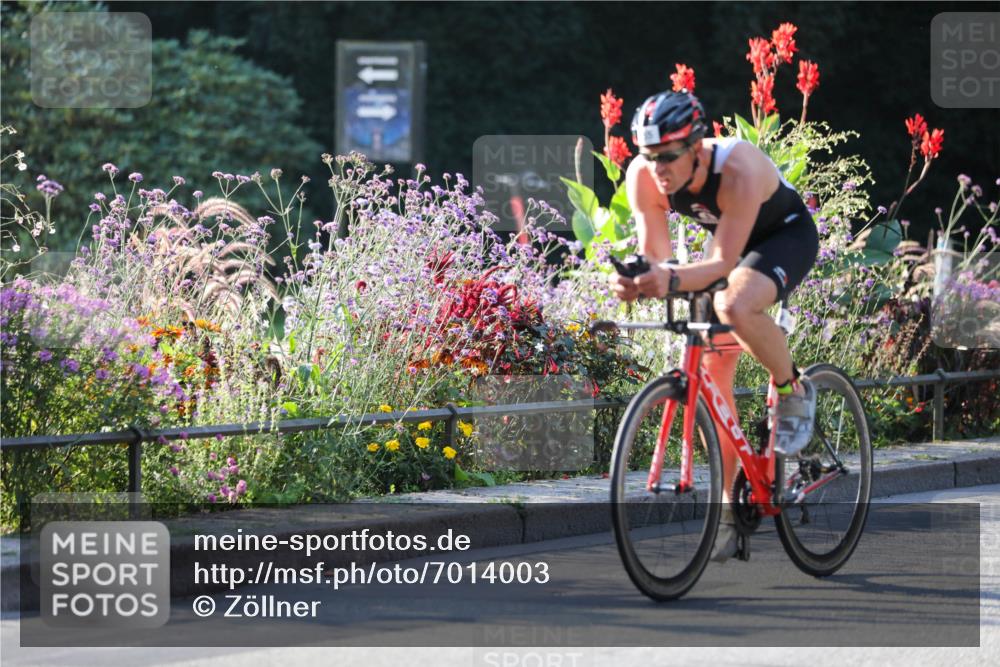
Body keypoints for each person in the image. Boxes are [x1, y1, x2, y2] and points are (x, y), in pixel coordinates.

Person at [609, 89, 819, 562]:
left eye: (667, 157)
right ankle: (729, 509)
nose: (657, 168)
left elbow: (724, 264)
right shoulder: (644, 174)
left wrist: (668, 278)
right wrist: (638, 279)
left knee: (735, 304)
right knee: (714, 376)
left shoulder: (738, 168)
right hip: (732, 245)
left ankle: (792, 390)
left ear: (698, 147)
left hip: (784, 237)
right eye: (648, 156)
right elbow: (658, 255)